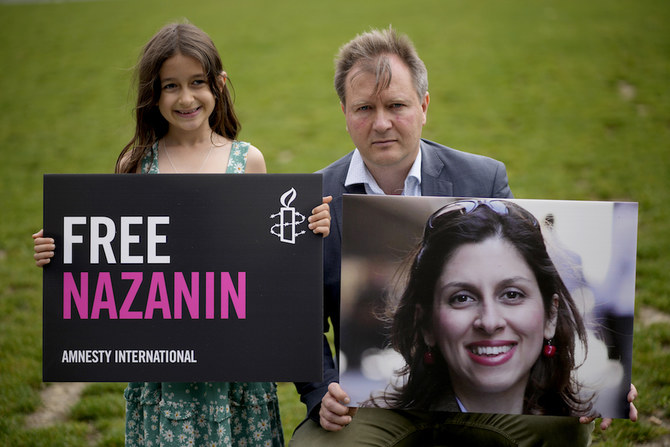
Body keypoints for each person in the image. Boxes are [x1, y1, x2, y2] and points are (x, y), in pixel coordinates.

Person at [291, 27, 637, 446]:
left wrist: (612, 388)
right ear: (344, 112)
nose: (381, 123)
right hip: (372, 400)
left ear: (423, 106)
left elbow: (552, 274)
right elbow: (299, 321)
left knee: (567, 430)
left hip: (487, 396)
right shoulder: (311, 198)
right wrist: (320, 392)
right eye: (364, 108)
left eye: (396, 105)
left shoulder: (482, 177)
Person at [32, 21, 332, 447]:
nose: (186, 98)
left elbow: (267, 255)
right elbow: (115, 254)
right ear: (153, 93)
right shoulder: (136, 165)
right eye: (170, 86)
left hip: (232, 363)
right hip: (164, 367)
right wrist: (61, 249)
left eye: (197, 83)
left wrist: (307, 228)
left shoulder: (248, 161)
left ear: (219, 85)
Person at [373, 199, 593, 417]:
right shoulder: (375, 430)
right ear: (427, 324)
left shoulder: (576, 427)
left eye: (512, 294)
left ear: (550, 316)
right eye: (462, 298)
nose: (489, 322)